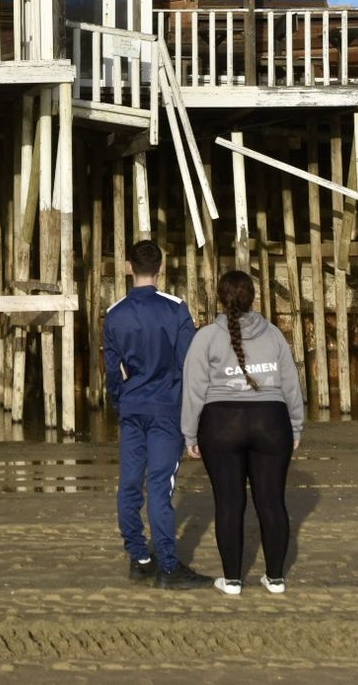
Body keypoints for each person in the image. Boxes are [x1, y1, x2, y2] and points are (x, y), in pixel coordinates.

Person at [181, 270, 304, 596]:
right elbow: (291, 383)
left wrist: (189, 435)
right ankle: (275, 579)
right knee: (272, 502)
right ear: (253, 298)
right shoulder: (274, 334)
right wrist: (295, 425)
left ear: (221, 299)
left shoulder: (206, 336)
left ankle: (233, 581)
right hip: (270, 421)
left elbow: (194, 389)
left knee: (228, 503)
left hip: (222, 424)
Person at [104, 239, 208, 589]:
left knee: (130, 484)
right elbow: (190, 364)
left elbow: (112, 369)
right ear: (161, 268)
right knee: (161, 486)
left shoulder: (115, 313)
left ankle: (139, 557)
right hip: (166, 408)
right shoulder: (176, 308)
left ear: (129, 266)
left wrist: (121, 402)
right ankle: (167, 565)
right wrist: (193, 413)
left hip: (133, 407)